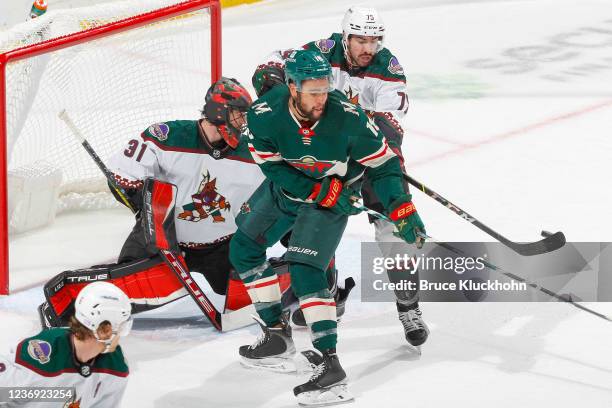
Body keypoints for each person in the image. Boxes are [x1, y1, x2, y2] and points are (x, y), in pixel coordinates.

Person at [230, 49, 425, 406]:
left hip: (331, 202)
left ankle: (331, 368)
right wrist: (318, 189)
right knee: (243, 248)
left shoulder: (348, 117)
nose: (322, 98)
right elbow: (271, 167)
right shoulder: (263, 115)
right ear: (292, 87)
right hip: (289, 193)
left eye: (325, 88)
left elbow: (384, 166)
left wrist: (401, 207)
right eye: (313, 91)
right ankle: (276, 334)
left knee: (305, 270)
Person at [251, 5, 428, 348]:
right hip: (326, 160)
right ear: (346, 37)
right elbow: (270, 65)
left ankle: (409, 307)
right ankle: (329, 292)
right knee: (310, 216)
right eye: (360, 40)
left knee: (395, 232)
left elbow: (389, 129)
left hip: (368, 159)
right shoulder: (320, 52)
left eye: (374, 41)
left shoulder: (388, 69)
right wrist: (273, 84)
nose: (367, 48)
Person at [37, 78, 276, 328]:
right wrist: (138, 197)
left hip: (221, 246)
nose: (243, 122)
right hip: (161, 241)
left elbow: (281, 193)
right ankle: (64, 300)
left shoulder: (254, 151)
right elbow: (121, 173)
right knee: (122, 290)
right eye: (238, 114)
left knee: (249, 293)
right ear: (218, 111)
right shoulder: (166, 137)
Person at [0, 282, 131, 407]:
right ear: (104, 331)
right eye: (121, 327)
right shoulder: (41, 360)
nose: (120, 336)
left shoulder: (115, 366)